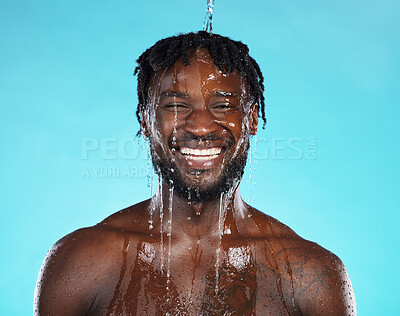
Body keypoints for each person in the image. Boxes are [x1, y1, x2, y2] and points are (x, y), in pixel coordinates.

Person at [34, 31, 356, 315]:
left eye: (222, 105)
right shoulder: (79, 264)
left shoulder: (311, 274)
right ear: (145, 120)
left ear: (252, 119)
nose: (201, 127)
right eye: (176, 105)